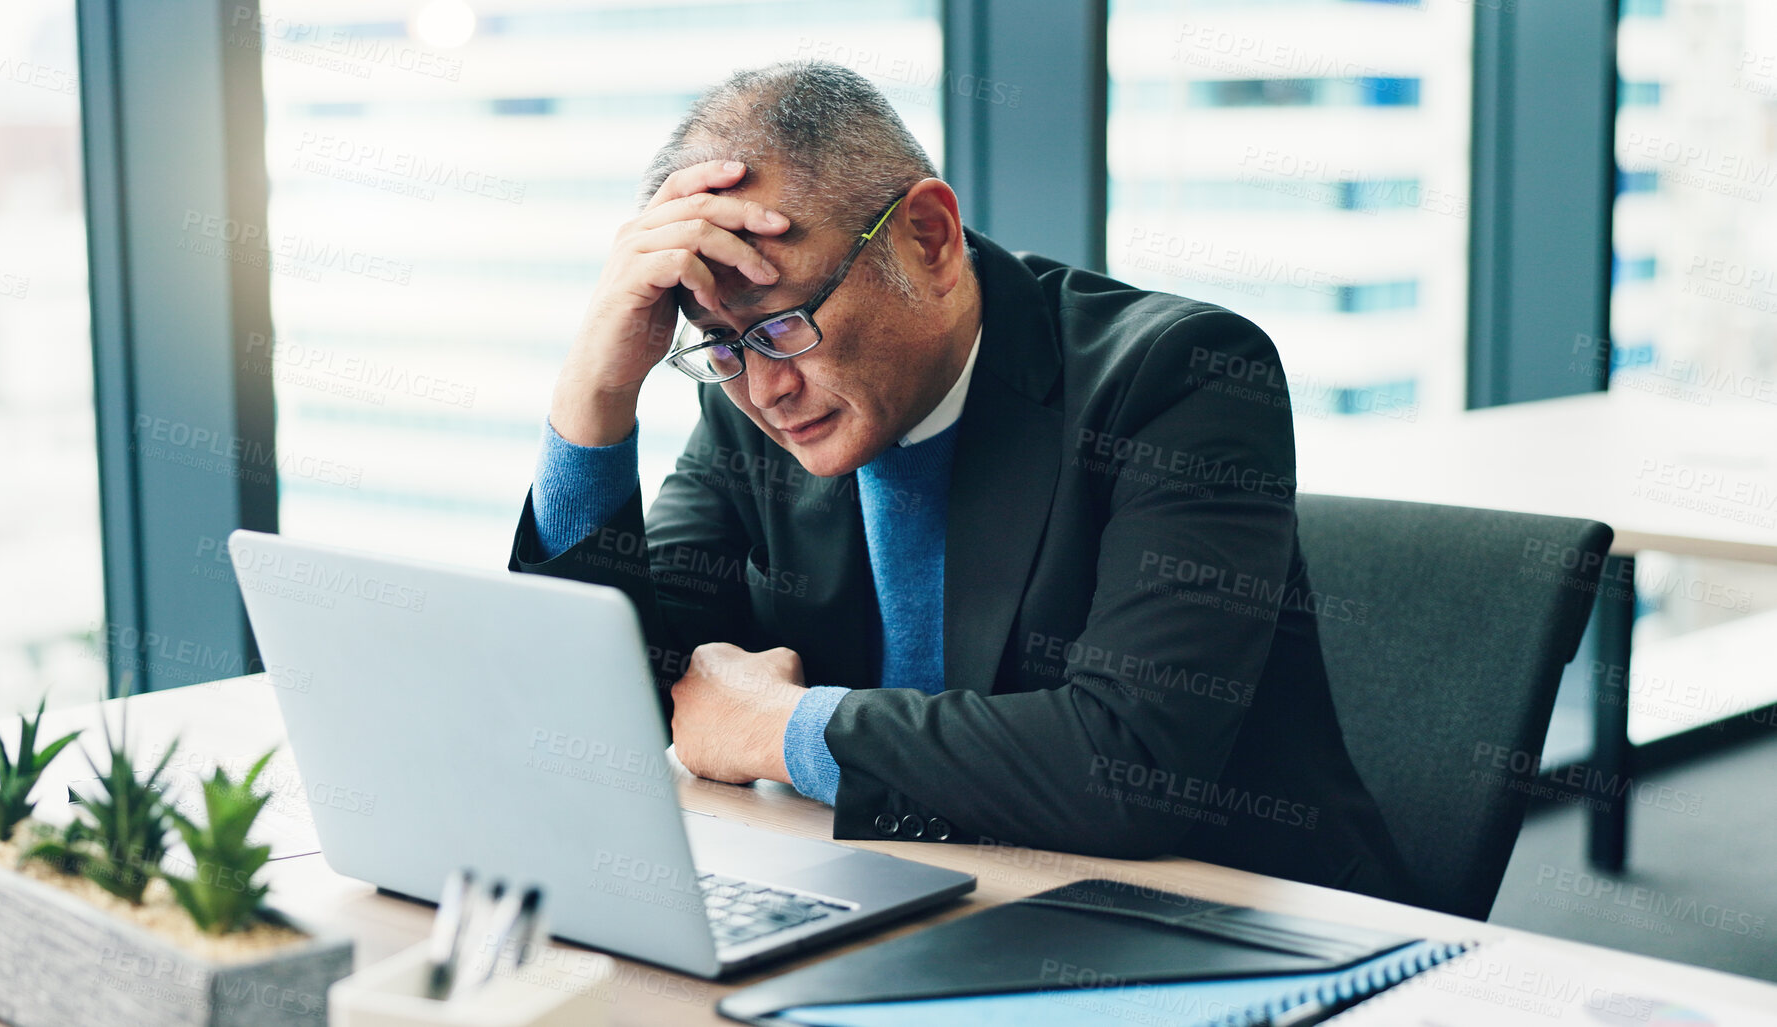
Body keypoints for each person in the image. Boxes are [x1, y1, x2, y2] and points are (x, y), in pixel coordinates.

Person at [509, 61, 1411, 902]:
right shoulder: (752, 397)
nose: (764, 386)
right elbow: (605, 706)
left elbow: (1131, 762)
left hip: (1217, 926)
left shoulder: (1182, 378)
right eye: (718, 346)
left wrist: (786, 727)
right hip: (911, 894)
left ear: (927, 238)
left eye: (782, 324)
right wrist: (597, 390)